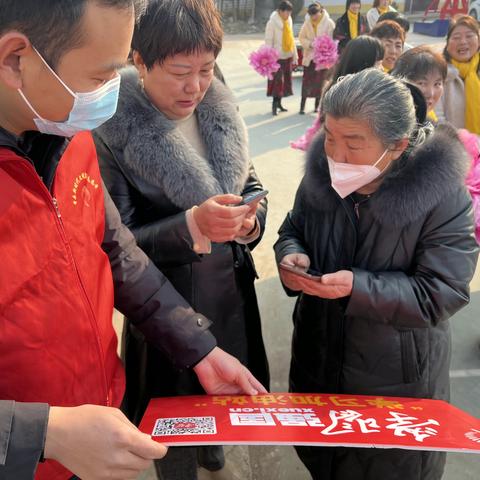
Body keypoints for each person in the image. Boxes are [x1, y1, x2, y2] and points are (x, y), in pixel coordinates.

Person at [0, 1, 267, 479]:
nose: (112, 94)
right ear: (16, 59)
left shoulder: (65, 133)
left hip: (95, 432)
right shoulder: (89, 130)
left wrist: (199, 347)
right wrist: (41, 435)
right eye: (103, 75)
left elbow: (117, 250)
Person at [93, 1, 270, 478]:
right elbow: (116, 242)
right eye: (179, 72)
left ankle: (215, 450)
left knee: (229, 407)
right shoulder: (110, 129)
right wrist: (191, 224)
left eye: (206, 69)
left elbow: (251, 184)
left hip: (232, 295)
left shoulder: (218, 104)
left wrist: (251, 223)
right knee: (173, 432)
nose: (195, 86)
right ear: (140, 62)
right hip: (167, 308)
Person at [275, 68, 478, 479]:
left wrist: (358, 288)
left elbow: (443, 292)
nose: (336, 156)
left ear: (397, 145)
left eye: (353, 144)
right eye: (330, 138)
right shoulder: (321, 175)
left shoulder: (441, 198)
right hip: (318, 359)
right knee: (324, 461)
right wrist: (292, 252)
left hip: (394, 383)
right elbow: (293, 226)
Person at [392, 46, 480, 243]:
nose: (431, 93)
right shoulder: (387, 128)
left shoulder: (441, 134)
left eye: (438, 83)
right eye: (421, 82)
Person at [291, 35, 384, 150]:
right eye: (378, 64)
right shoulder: (348, 93)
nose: (381, 69)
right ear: (363, 63)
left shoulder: (345, 86)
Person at [436, 14, 480, 134]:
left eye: (469, 36)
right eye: (456, 37)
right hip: (453, 146)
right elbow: (437, 117)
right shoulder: (439, 73)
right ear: (447, 44)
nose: (463, 42)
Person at [298, 3, 335, 114]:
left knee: (320, 83)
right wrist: (310, 44)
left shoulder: (329, 23)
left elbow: (331, 41)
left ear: (320, 11)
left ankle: (316, 107)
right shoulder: (307, 23)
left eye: (315, 14)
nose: (314, 17)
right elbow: (301, 37)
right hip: (310, 58)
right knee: (306, 83)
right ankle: (302, 107)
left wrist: (323, 47)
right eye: (311, 15)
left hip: (322, 59)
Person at [265, 0, 297, 115]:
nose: (288, 15)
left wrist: (294, 55)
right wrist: (268, 57)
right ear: (280, 11)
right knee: (277, 82)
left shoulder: (289, 20)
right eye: (286, 12)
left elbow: (291, 38)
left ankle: (279, 103)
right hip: (276, 58)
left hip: (287, 55)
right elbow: (268, 40)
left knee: (285, 82)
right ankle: (274, 105)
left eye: (289, 12)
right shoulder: (272, 22)